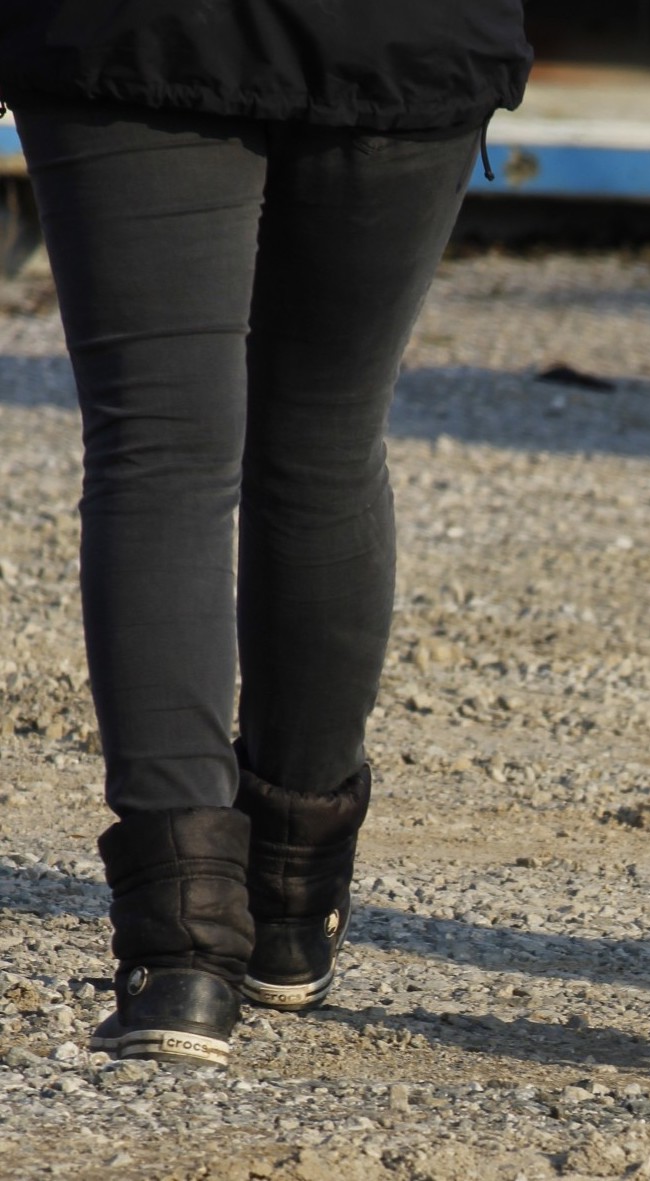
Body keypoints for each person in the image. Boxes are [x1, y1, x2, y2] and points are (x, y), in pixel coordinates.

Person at [0, 2, 531, 1068]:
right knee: (323, 440)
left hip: (131, 32)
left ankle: (182, 953)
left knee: (159, 453)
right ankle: (286, 906)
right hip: (396, 32)